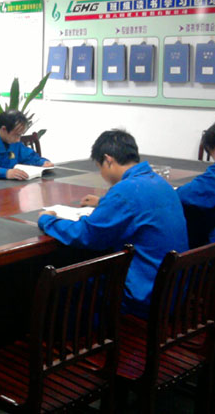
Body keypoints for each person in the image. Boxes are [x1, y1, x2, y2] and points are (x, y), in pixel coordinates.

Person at [38, 129, 188, 319]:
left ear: (108, 160)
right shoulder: (158, 182)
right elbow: (139, 206)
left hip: (144, 296)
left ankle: (80, 336)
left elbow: (86, 235)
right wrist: (104, 202)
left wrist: (48, 220)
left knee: (65, 287)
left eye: (99, 167)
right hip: (173, 289)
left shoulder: (125, 191)